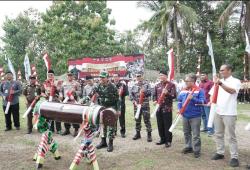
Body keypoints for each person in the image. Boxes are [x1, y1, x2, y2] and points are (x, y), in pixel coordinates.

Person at [210, 64, 241, 167]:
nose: (221, 72)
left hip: (229, 113)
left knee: (231, 136)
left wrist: (220, 83)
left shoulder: (236, 81)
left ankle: (234, 157)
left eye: (223, 70)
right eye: (220, 70)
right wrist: (211, 102)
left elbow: (232, 91)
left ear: (229, 70)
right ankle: (220, 152)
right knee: (218, 134)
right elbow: (212, 94)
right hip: (218, 111)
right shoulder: (217, 82)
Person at [178, 73, 205, 158]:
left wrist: (192, 98)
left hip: (195, 116)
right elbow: (179, 100)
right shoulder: (183, 90)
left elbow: (203, 102)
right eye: (185, 81)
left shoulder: (199, 90)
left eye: (187, 81)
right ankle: (188, 146)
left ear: (193, 81)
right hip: (185, 115)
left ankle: (196, 150)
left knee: (196, 134)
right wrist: (180, 109)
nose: (185, 82)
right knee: (186, 133)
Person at [93, 71, 120, 152]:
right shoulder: (98, 86)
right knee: (102, 125)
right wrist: (84, 100)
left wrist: (118, 110)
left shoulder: (113, 87)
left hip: (111, 108)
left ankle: (110, 143)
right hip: (102, 108)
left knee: (111, 126)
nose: (101, 79)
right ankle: (103, 141)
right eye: (100, 77)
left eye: (103, 77)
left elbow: (118, 99)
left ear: (107, 78)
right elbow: (91, 94)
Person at [153, 70, 176, 148]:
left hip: (167, 108)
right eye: (160, 75)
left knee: (167, 125)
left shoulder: (171, 85)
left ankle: (168, 141)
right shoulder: (157, 85)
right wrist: (154, 100)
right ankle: (162, 139)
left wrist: (167, 93)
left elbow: (174, 96)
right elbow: (154, 95)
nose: (161, 77)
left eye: (162, 75)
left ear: (166, 76)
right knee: (160, 124)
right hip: (158, 108)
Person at [129, 72, 152, 142]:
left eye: (139, 76)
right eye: (137, 76)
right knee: (137, 120)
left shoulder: (147, 84)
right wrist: (133, 101)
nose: (138, 77)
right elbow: (131, 95)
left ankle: (149, 135)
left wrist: (144, 92)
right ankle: (138, 134)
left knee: (147, 120)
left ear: (142, 76)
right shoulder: (134, 85)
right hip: (136, 106)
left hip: (145, 105)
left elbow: (150, 93)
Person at [60, 71, 81, 137]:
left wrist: (75, 92)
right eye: (68, 75)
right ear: (67, 76)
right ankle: (67, 129)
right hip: (66, 102)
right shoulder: (64, 83)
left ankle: (76, 130)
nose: (70, 77)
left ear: (73, 76)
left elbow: (80, 92)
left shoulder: (76, 83)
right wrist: (60, 95)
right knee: (65, 116)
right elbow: (61, 91)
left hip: (73, 102)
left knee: (74, 116)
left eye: (71, 75)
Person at [40, 69, 62, 134]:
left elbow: (59, 90)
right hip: (48, 101)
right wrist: (44, 95)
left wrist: (55, 85)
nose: (50, 76)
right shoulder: (45, 82)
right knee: (49, 115)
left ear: (53, 75)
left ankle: (59, 129)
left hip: (55, 100)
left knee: (57, 114)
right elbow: (42, 92)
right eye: (49, 75)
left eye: (51, 75)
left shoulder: (57, 82)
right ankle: (51, 129)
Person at [113, 73, 128, 138]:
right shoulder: (111, 85)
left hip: (121, 104)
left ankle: (122, 132)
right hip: (113, 104)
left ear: (119, 78)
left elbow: (126, 93)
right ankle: (114, 131)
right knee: (113, 118)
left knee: (122, 118)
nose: (115, 78)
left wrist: (121, 93)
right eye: (114, 77)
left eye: (116, 76)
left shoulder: (123, 85)